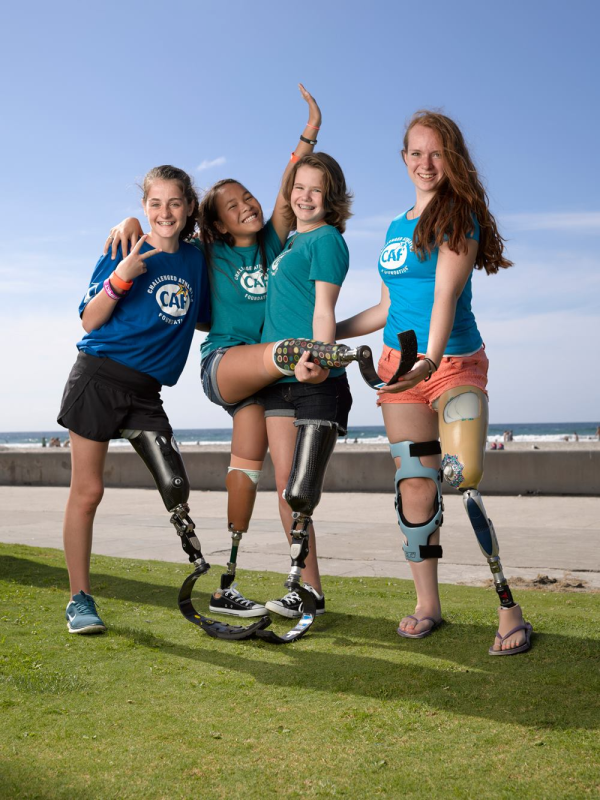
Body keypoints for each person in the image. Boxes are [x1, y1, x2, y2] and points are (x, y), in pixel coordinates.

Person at [105, 88, 356, 622]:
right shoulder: (206, 254)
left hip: (272, 379)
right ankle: (297, 353)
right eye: (232, 206)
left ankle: (258, 583)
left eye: (248, 199)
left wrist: (309, 133)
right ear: (216, 223)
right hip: (228, 367)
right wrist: (130, 224)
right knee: (285, 355)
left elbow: (293, 193)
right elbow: (161, 232)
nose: (247, 207)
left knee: (267, 475)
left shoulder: (275, 244)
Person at [337, 111, 532, 656]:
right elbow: (385, 306)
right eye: (416, 153)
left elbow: (444, 295)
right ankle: (428, 605)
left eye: (437, 153)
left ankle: (509, 609)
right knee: (415, 486)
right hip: (401, 373)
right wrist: (328, 334)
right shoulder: (396, 227)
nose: (426, 163)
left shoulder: (459, 215)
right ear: (403, 159)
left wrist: (432, 357)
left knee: (463, 476)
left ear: (452, 160)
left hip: (453, 364)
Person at [58, 165, 210, 634]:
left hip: (147, 393)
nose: (165, 212)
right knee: (89, 492)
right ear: (144, 208)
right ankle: (79, 600)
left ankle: (210, 576)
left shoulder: (197, 260)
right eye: (155, 204)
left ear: (189, 208)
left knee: (176, 488)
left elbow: (202, 317)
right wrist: (121, 276)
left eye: (175, 203)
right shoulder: (124, 246)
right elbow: (89, 319)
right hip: (99, 378)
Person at [258, 151, 353, 619]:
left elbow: (323, 309)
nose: (304, 196)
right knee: (282, 487)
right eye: (299, 187)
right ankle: (306, 589)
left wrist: (316, 358)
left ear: (330, 197)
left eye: (316, 189)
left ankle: (303, 587)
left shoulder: (328, 240)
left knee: (300, 488)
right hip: (277, 378)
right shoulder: (291, 243)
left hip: (315, 378)